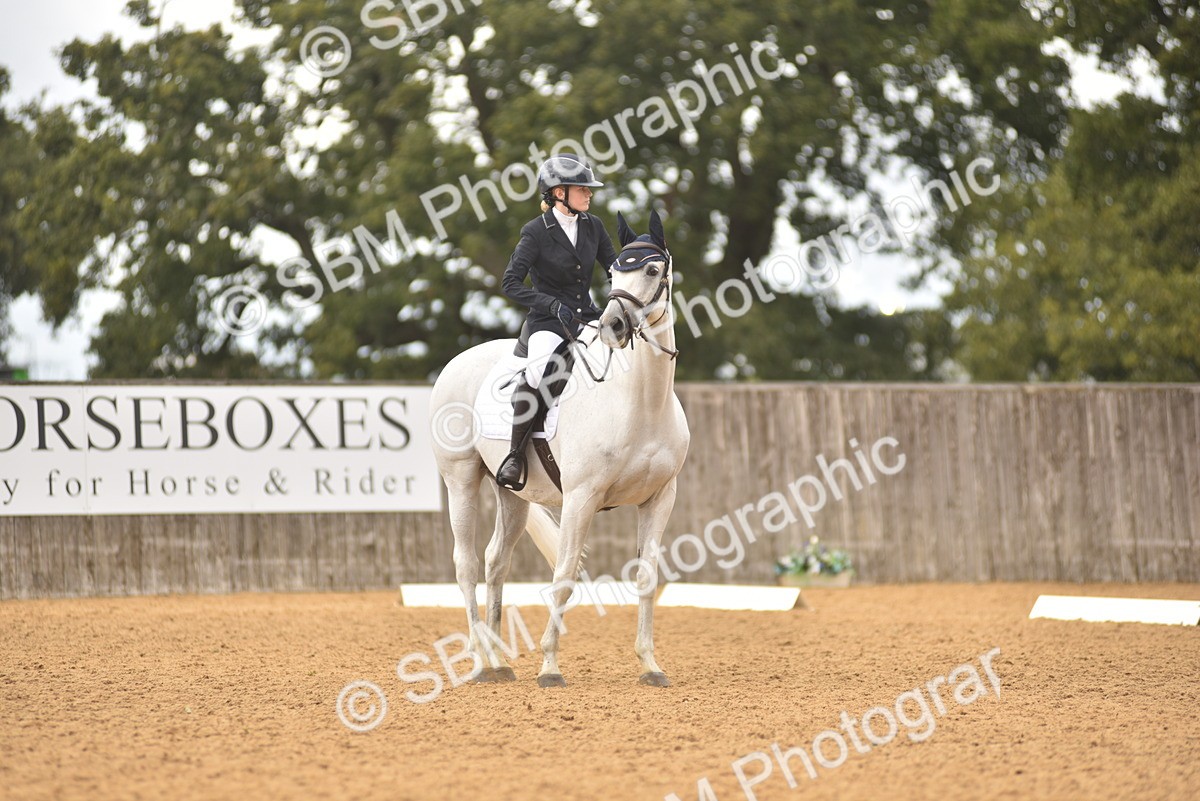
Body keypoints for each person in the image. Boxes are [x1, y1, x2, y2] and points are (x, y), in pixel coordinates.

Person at [495, 154, 619, 490]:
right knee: (537, 372)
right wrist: (549, 303)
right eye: (583, 189)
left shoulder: (594, 226)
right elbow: (510, 283)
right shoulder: (535, 232)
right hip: (548, 322)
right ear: (559, 192)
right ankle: (515, 455)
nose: (590, 194)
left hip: (587, 317)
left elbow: (614, 269)